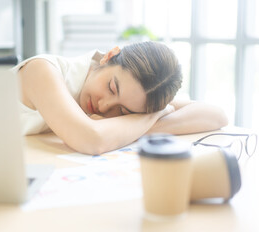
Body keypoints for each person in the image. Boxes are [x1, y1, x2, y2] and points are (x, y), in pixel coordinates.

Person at [15, 41, 228, 155]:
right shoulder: (42, 70)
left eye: (123, 111)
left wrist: (137, 125)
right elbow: (92, 140)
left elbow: (217, 115)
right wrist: (148, 118)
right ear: (109, 56)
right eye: (111, 87)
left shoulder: (136, 98)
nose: (104, 106)